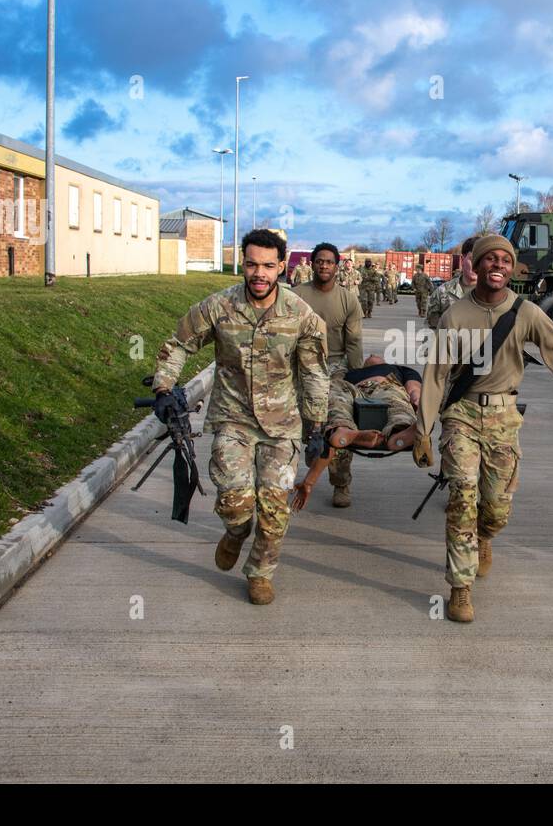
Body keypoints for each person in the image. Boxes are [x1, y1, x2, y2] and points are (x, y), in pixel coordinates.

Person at [411, 234, 553, 622]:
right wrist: (423, 429)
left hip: (504, 416)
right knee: (462, 498)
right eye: (490, 259)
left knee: (497, 507)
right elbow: (435, 376)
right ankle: (460, 588)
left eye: (505, 259)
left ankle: (485, 537)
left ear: (510, 267)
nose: (497, 265)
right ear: (477, 265)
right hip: (462, 415)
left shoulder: (527, 313)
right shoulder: (455, 316)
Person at [151, 229, 329, 606]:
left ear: (282, 266)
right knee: (235, 503)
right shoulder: (219, 307)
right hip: (233, 420)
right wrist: (164, 388)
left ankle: (260, 572)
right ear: (243, 265)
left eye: (268, 265)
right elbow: (180, 343)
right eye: (251, 264)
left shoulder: (301, 315)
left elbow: (314, 373)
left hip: (282, 426)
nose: (259, 274)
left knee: (275, 507)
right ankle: (235, 532)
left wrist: (317, 426)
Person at [291, 356, 420, 510]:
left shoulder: (399, 369)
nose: (372, 357)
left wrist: (417, 399)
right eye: (369, 357)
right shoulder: (348, 372)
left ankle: (400, 430)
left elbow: (414, 389)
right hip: (350, 388)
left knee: (397, 404)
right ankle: (344, 428)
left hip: (385, 385)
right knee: (336, 399)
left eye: (375, 356)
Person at [292, 242, 365, 508]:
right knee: (309, 429)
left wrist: (355, 375)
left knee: (338, 425)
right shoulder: (296, 296)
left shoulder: (348, 299)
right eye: (319, 261)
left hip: (337, 368)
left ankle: (341, 482)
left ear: (337, 266)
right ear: (312, 264)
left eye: (329, 262)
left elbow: (354, 340)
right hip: (303, 369)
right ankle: (313, 460)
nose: (324, 265)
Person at [426, 237, 477, 329]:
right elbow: (432, 330)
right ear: (462, 260)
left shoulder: (494, 295)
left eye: (481, 260)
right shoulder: (442, 293)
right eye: (472, 259)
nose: (476, 265)